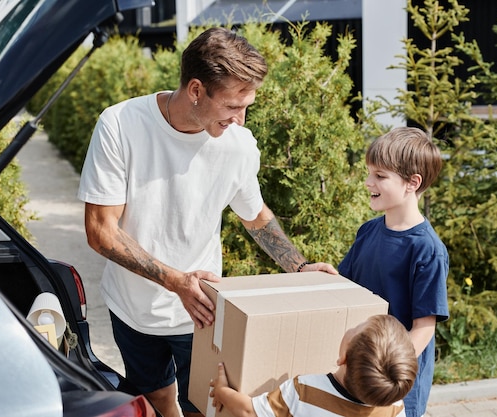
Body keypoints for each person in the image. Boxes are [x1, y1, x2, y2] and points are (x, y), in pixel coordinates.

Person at [77, 27, 336, 417]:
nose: (241, 118)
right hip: (132, 307)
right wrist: (175, 281)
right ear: (196, 90)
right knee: (158, 401)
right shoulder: (120, 125)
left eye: (247, 105)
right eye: (233, 106)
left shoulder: (238, 145)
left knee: (204, 407)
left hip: (202, 310)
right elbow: (100, 231)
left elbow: (256, 216)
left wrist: (300, 268)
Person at [338, 127, 449, 417]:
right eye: (370, 173)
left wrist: (382, 375)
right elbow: (345, 292)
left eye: (380, 176)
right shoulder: (368, 231)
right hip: (356, 375)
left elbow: (423, 329)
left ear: (412, 182)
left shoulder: (427, 250)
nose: (367, 182)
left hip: (395, 387)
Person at [209, 314, 418, 417]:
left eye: (356, 328)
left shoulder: (305, 391)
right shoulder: (394, 407)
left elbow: (250, 411)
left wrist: (222, 391)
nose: (353, 326)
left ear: (343, 357)